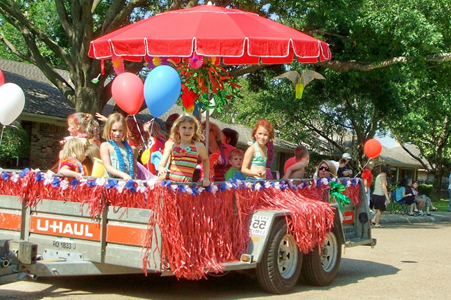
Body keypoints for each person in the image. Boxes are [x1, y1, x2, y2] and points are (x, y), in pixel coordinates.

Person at [157, 113, 210, 186]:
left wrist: (206, 177)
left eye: (190, 128)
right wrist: (161, 168)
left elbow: (205, 159)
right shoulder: (171, 145)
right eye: (184, 127)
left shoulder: (199, 146)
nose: (187, 131)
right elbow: (161, 163)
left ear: (194, 130)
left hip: (186, 188)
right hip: (171, 186)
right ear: (178, 129)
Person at [100, 113, 137, 181]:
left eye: (120, 131)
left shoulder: (128, 148)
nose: (117, 134)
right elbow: (108, 167)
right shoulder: (105, 146)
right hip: (112, 184)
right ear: (108, 129)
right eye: (114, 130)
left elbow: (133, 167)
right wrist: (123, 175)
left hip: (126, 183)